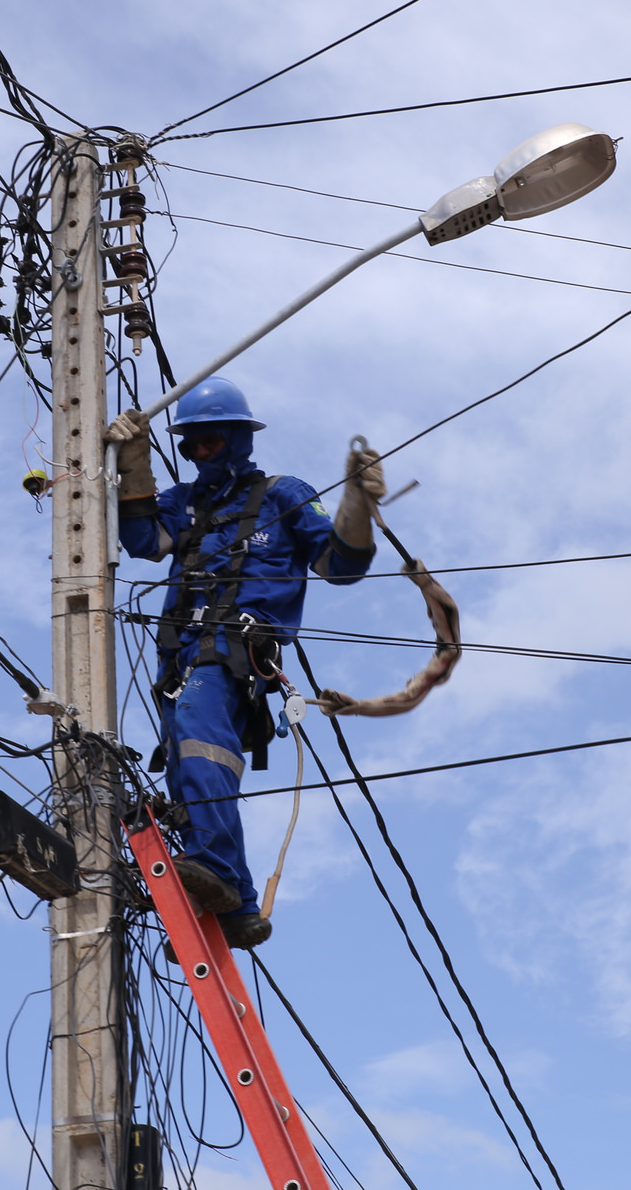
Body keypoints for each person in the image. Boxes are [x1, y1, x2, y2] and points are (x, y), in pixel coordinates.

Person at [106, 376, 383, 949]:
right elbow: (142, 541)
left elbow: (340, 566)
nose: (201, 453)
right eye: (191, 445)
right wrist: (132, 459)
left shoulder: (283, 494)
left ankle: (214, 864)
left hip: (235, 651)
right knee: (186, 764)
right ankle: (239, 907)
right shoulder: (185, 504)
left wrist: (358, 502)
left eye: (210, 442)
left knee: (200, 742)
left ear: (237, 438)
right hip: (178, 658)